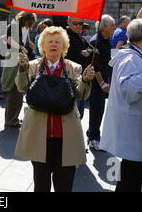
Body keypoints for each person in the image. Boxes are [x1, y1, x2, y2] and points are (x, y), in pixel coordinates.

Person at [14, 26, 95, 192]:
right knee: (41, 185)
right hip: (39, 135)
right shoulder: (32, 66)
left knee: (64, 185)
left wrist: (86, 80)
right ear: (42, 45)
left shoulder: (74, 68)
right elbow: (21, 87)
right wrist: (21, 69)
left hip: (66, 136)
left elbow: (81, 95)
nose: (54, 44)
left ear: (64, 46)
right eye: (50, 41)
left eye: (58, 42)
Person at [99, 18, 142, 192]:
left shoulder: (136, 55)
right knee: (130, 180)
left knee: (132, 177)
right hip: (134, 133)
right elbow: (127, 87)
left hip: (138, 130)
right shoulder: (131, 57)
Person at [1, 11, 36, 128]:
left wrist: (29, 44)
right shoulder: (14, 26)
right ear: (24, 19)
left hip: (17, 59)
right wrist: (22, 47)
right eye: (29, 23)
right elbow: (9, 41)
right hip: (13, 59)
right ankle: (11, 120)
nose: (29, 25)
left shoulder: (21, 28)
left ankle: (13, 118)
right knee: (14, 89)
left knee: (18, 91)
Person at [87, 15, 116, 150]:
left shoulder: (106, 40)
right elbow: (94, 65)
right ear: (104, 27)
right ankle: (93, 138)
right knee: (96, 110)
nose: (114, 27)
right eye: (112, 25)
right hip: (97, 83)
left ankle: (93, 134)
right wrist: (102, 83)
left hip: (106, 80)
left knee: (100, 110)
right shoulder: (95, 42)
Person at [65, 17, 96, 119]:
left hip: (81, 78)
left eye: (81, 23)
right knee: (73, 115)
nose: (79, 26)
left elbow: (96, 52)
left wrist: (89, 52)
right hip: (69, 79)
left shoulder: (80, 38)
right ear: (68, 23)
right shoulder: (65, 37)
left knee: (79, 115)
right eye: (75, 23)